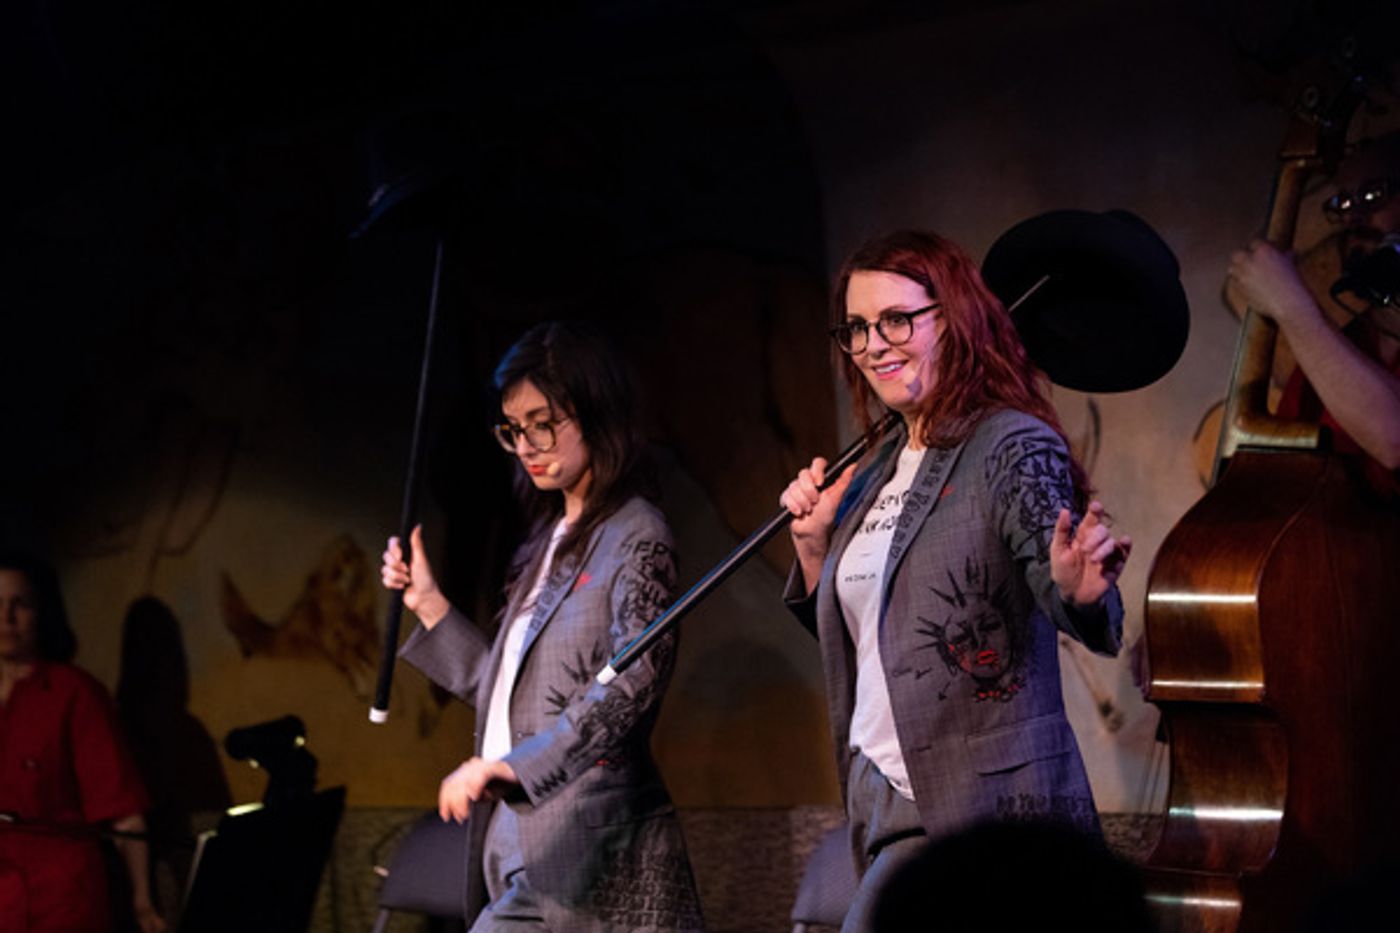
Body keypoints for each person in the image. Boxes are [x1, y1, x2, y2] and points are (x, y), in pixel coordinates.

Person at [778, 231, 1131, 933]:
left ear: (956, 316)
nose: (874, 343)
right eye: (856, 327)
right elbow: (882, 632)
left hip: (983, 804)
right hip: (880, 794)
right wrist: (815, 550)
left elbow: (1064, 581)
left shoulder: (1006, 442)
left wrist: (1079, 591)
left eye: (896, 319)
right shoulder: (876, 467)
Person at [380, 322, 703, 932]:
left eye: (542, 422)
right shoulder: (545, 542)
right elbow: (514, 695)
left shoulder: (637, 534)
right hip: (522, 844)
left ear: (595, 415)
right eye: (513, 429)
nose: (527, 443)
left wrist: (510, 768)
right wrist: (428, 606)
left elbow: (628, 689)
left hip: (596, 848)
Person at [0, 550, 164, 933]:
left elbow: (123, 810)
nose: (6, 618)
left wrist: (142, 902)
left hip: (62, 903)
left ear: (41, 612)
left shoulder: (74, 692)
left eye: (19, 604)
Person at [1228, 132, 1400, 492]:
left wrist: (1291, 304)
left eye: (1373, 195)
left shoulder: (1318, 338)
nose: (1354, 217)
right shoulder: (1342, 347)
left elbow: (1394, 439)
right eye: (1344, 204)